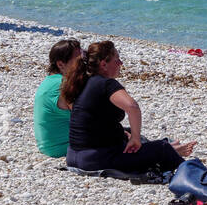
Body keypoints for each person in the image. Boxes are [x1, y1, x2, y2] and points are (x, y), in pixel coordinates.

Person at [62, 40, 195, 174]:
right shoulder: (106, 84)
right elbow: (132, 107)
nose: (121, 63)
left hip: (73, 156)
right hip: (95, 159)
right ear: (104, 64)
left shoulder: (83, 82)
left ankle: (171, 151)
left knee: (129, 134)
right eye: (116, 60)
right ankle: (193, 175)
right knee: (161, 148)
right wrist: (135, 138)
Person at [33, 39, 82, 157]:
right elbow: (84, 118)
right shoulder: (63, 84)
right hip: (62, 147)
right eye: (78, 60)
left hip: (48, 145)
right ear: (61, 64)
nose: (83, 63)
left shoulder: (50, 81)